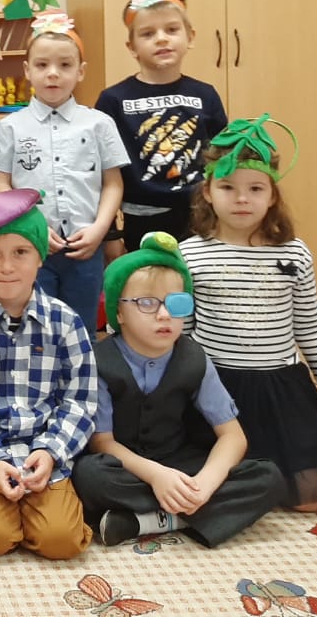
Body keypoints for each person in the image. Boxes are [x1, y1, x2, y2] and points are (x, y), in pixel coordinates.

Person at [179, 114, 317, 510]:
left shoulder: (294, 253)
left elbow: (311, 329)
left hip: (281, 387)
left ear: (272, 195)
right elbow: (183, 336)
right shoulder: (189, 254)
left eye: (255, 188)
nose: (242, 199)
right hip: (216, 389)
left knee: (309, 498)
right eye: (228, 187)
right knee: (204, 481)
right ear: (208, 191)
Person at [72, 233, 284, 547]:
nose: (164, 314)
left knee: (269, 477)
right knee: (89, 476)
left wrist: (204, 485)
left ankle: (150, 521)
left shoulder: (194, 357)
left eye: (177, 303)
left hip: (180, 460)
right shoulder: (99, 361)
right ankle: (184, 515)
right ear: (119, 313)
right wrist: (156, 476)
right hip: (126, 466)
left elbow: (233, 436)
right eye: (146, 303)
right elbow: (103, 442)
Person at [0, 188, 96, 559]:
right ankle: (3, 512)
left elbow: (80, 401)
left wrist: (51, 452)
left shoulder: (65, 321)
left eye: (21, 252)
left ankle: (35, 514)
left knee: (61, 541)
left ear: (40, 257)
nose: (6, 267)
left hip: (43, 450)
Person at [0, 10, 127, 333]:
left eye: (65, 65)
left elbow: (113, 183)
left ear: (81, 71)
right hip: (31, 247)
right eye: (42, 65)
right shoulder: (10, 126)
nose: (53, 74)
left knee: (82, 330)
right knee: (34, 328)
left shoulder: (99, 123)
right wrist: (31, 222)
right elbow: (0, 183)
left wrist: (99, 229)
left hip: (85, 247)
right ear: (27, 70)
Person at [95, 0, 227, 251]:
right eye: (148, 33)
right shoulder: (112, 100)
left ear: (190, 37)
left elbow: (223, 160)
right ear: (132, 47)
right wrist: (111, 236)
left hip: (201, 214)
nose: (161, 39)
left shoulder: (205, 95)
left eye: (171, 30)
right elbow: (102, 174)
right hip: (142, 219)